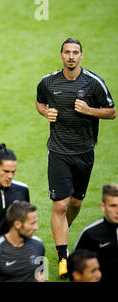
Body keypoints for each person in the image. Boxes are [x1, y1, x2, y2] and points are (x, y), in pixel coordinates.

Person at [35, 37, 116, 278]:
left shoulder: (93, 83)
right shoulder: (48, 82)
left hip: (84, 152)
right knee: (60, 204)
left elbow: (112, 112)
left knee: (76, 203)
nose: (71, 56)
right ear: (61, 55)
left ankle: (61, 230)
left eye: (75, 52)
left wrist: (89, 110)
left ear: (81, 55)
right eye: (67, 52)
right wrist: (46, 112)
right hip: (58, 151)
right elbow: (39, 102)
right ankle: (63, 257)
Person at [73, 184, 118, 282]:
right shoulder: (90, 234)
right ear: (103, 206)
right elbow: (75, 271)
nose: (117, 211)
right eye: (113, 206)